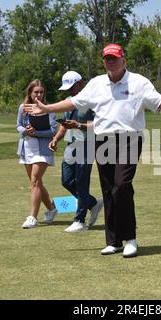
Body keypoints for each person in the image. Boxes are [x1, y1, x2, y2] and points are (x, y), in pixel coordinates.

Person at [24, 43, 161, 258]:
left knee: (121, 186)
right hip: (103, 139)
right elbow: (73, 102)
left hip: (129, 138)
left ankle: (130, 239)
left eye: (114, 58)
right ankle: (113, 241)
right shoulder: (96, 84)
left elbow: (158, 100)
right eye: (107, 58)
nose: (111, 62)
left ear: (123, 60)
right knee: (108, 189)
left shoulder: (138, 82)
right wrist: (47, 108)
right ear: (103, 61)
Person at [49, 71, 103, 233]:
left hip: (87, 145)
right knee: (66, 181)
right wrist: (56, 139)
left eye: (72, 87)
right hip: (70, 146)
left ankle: (79, 220)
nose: (69, 91)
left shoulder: (92, 102)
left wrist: (79, 126)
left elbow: (100, 125)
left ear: (80, 83)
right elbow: (64, 125)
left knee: (82, 181)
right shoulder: (68, 101)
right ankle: (93, 203)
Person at [16, 79, 58, 229]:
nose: (39, 95)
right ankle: (52, 209)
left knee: (35, 180)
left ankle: (32, 217)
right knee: (37, 182)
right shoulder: (23, 107)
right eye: (36, 92)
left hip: (43, 150)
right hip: (26, 149)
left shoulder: (49, 108)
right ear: (30, 92)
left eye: (41, 92)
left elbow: (54, 130)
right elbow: (18, 126)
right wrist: (25, 131)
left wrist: (36, 133)